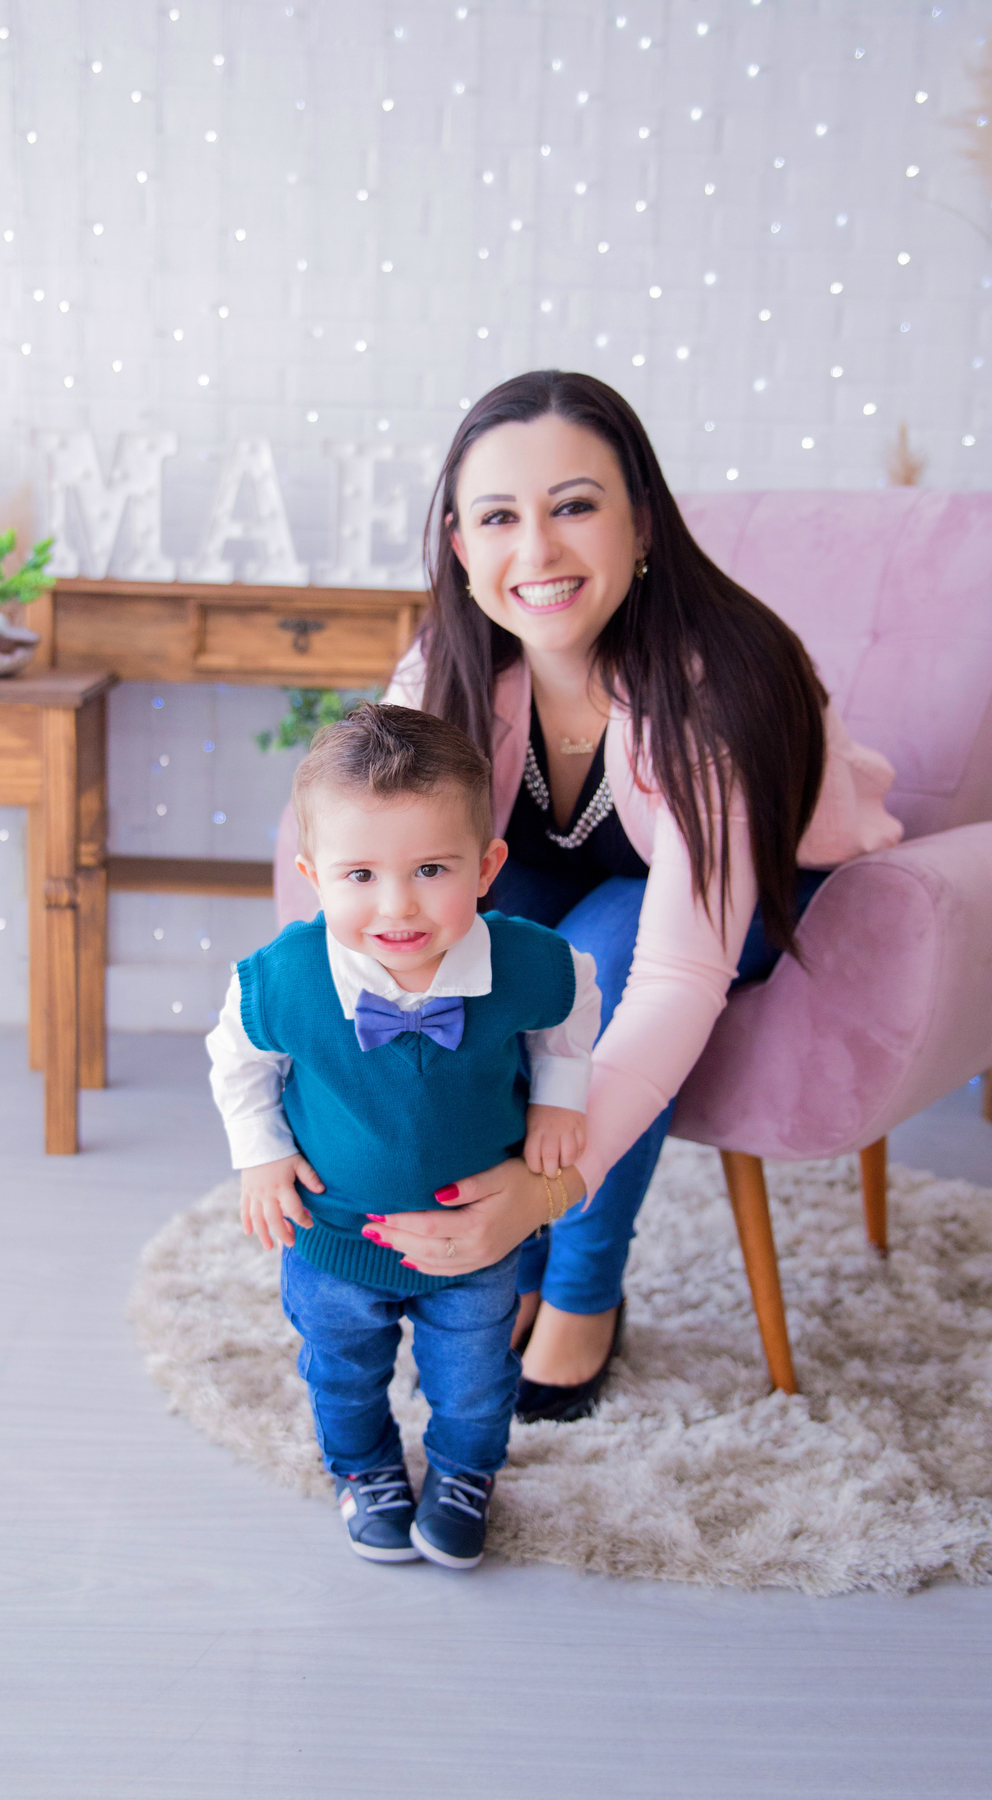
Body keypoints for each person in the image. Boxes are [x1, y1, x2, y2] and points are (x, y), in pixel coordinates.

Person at [274, 369, 903, 1424]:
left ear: (641, 520)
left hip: (758, 877)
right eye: (499, 518)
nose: (539, 552)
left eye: (574, 506)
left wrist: (546, 1188)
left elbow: (677, 973)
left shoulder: (716, 693)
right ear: (462, 545)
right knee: (447, 921)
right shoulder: (446, 672)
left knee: (591, 966)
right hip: (568, 854)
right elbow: (363, 903)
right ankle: (504, 1265)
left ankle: (578, 1285)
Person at [207, 703, 601, 1569]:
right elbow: (237, 1061)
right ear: (313, 875)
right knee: (342, 1371)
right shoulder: (285, 979)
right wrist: (261, 1154)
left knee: (475, 1379)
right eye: (360, 876)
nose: (397, 907)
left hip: (479, 1247)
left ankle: (465, 1474)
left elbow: (572, 1008)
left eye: (430, 869)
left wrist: (560, 1101)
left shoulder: (529, 962)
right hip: (334, 1237)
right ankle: (366, 1470)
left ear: (488, 866)